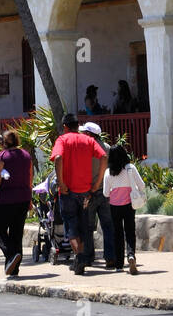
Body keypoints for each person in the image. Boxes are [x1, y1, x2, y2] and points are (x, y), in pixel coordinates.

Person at [50, 112, 107, 275]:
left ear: (65, 127)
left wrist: (61, 182)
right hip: (86, 193)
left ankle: (80, 257)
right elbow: (103, 157)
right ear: (77, 126)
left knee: (71, 228)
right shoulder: (88, 140)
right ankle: (80, 259)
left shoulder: (62, 140)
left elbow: (58, 157)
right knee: (83, 227)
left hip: (68, 192)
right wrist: (97, 184)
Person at [0, 128, 33, 277]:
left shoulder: (2, 156)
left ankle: (11, 254)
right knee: (16, 233)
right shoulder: (26, 155)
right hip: (23, 198)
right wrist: (30, 199)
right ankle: (13, 269)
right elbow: (30, 177)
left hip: (7, 200)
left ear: (3, 143)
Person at [103, 144, 146, 274]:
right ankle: (131, 255)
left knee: (117, 234)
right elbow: (142, 186)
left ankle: (119, 265)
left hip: (114, 206)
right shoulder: (130, 169)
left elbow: (105, 193)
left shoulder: (108, 172)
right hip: (129, 205)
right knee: (130, 232)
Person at [79, 122, 116, 269]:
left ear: (89, 134)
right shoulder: (106, 147)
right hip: (105, 191)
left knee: (87, 226)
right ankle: (110, 257)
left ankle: (88, 257)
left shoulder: (85, 148)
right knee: (107, 225)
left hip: (89, 192)